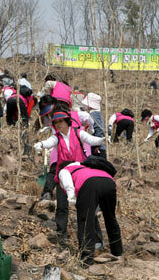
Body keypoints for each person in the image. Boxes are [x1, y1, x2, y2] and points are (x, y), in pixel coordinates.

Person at [34, 110, 105, 244]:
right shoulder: (57, 137)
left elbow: (91, 139)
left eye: (61, 121)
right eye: (56, 122)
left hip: (80, 172)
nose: (59, 124)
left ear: (67, 121)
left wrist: (102, 140)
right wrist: (41, 145)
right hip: (63, 173)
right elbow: (49, 142)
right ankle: (62, 234)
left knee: (87, 206)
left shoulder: (79, 133)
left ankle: (95, 238)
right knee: (61, 205)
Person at [57, 161, 123, 265]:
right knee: (110, 217)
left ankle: (86, 260)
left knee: (85, 221)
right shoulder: (88, 167)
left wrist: (71, 196)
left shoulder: (64, 170)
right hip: (109, 182)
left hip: (89, 183)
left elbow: (66, 181)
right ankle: (117, 252)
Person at [81, 93, 106, 157]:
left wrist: (97, 146)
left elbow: (98, 129)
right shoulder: (98, 114)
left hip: (97, 147)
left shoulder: (94, 114)